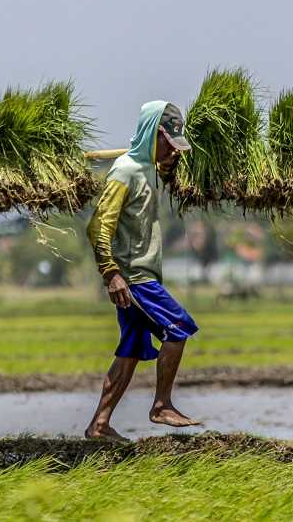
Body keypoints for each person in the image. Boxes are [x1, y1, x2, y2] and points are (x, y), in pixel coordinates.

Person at [85, 100, 201, 441]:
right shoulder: (124, 171)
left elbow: (165, 168)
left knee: (131, 349)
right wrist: (111, 274)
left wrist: (175, 160)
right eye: (169, 144)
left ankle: (99, 425)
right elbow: (97, 227)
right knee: (179, 327)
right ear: (154, 134)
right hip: (134, 278)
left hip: (138, 275)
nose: (174, 152)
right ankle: (161, 405)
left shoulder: (146, 168)